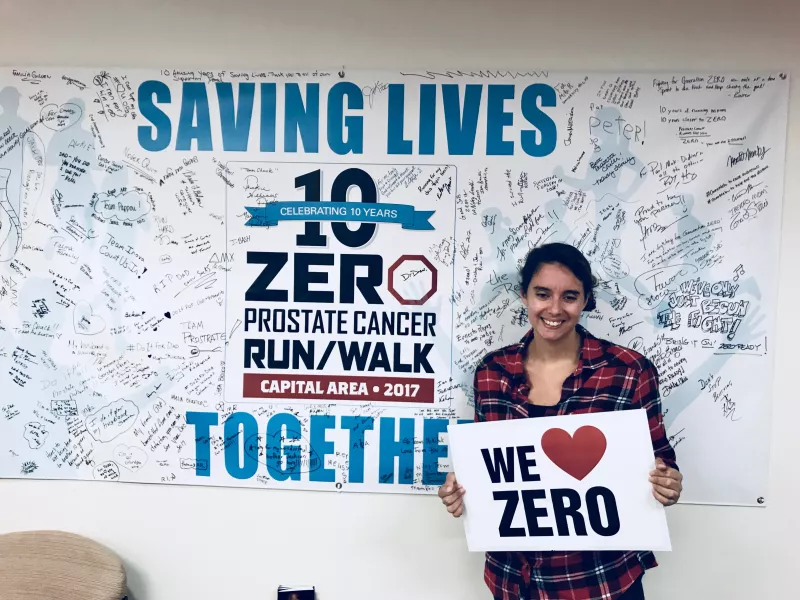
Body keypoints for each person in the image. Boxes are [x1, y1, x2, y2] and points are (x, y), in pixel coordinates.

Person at [438, 242, 683, 600]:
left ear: (585, 300)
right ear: (524, 296)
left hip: (601, 581)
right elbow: (488, 466)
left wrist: (667, 482)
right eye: (542, 294)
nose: (554, 309)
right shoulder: (491, 372)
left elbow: (661, 459)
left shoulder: (629, 370)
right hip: (513, 580)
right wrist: (462, 490)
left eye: (569, 296)